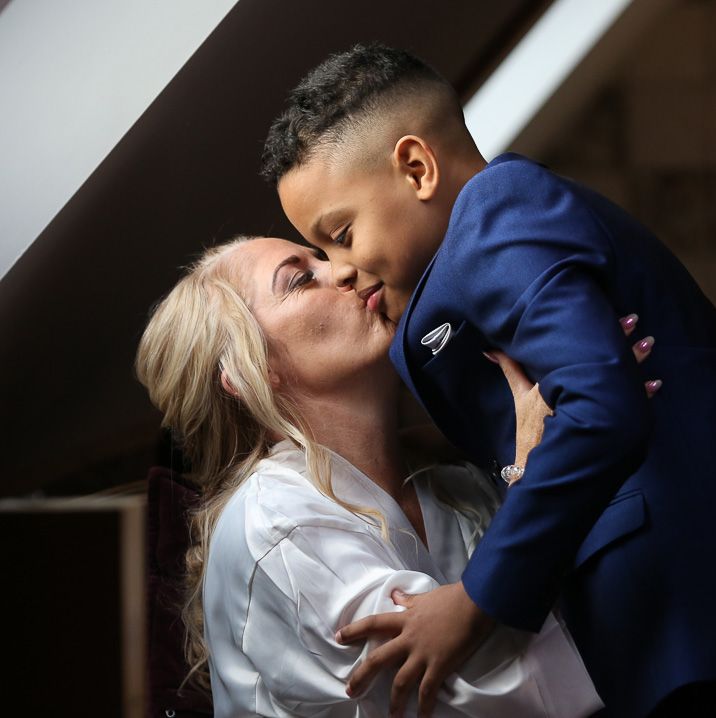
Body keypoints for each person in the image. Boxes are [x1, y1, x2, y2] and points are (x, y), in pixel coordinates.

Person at [260, 44, 716, 717]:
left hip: (696, 606)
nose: (341, 269)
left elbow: (600, 409)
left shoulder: (498, 217)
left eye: (342, 234)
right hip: (686, 617)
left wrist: (476, 601)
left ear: (417, 168)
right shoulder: (478, 244)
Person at [136, 236, 660, 716]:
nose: (345, 270)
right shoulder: (275, 523)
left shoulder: (459, 492)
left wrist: (588, 390)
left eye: (324, 255)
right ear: (251, 370)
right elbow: (473, 701)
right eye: (299, 278)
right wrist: (541, 471)